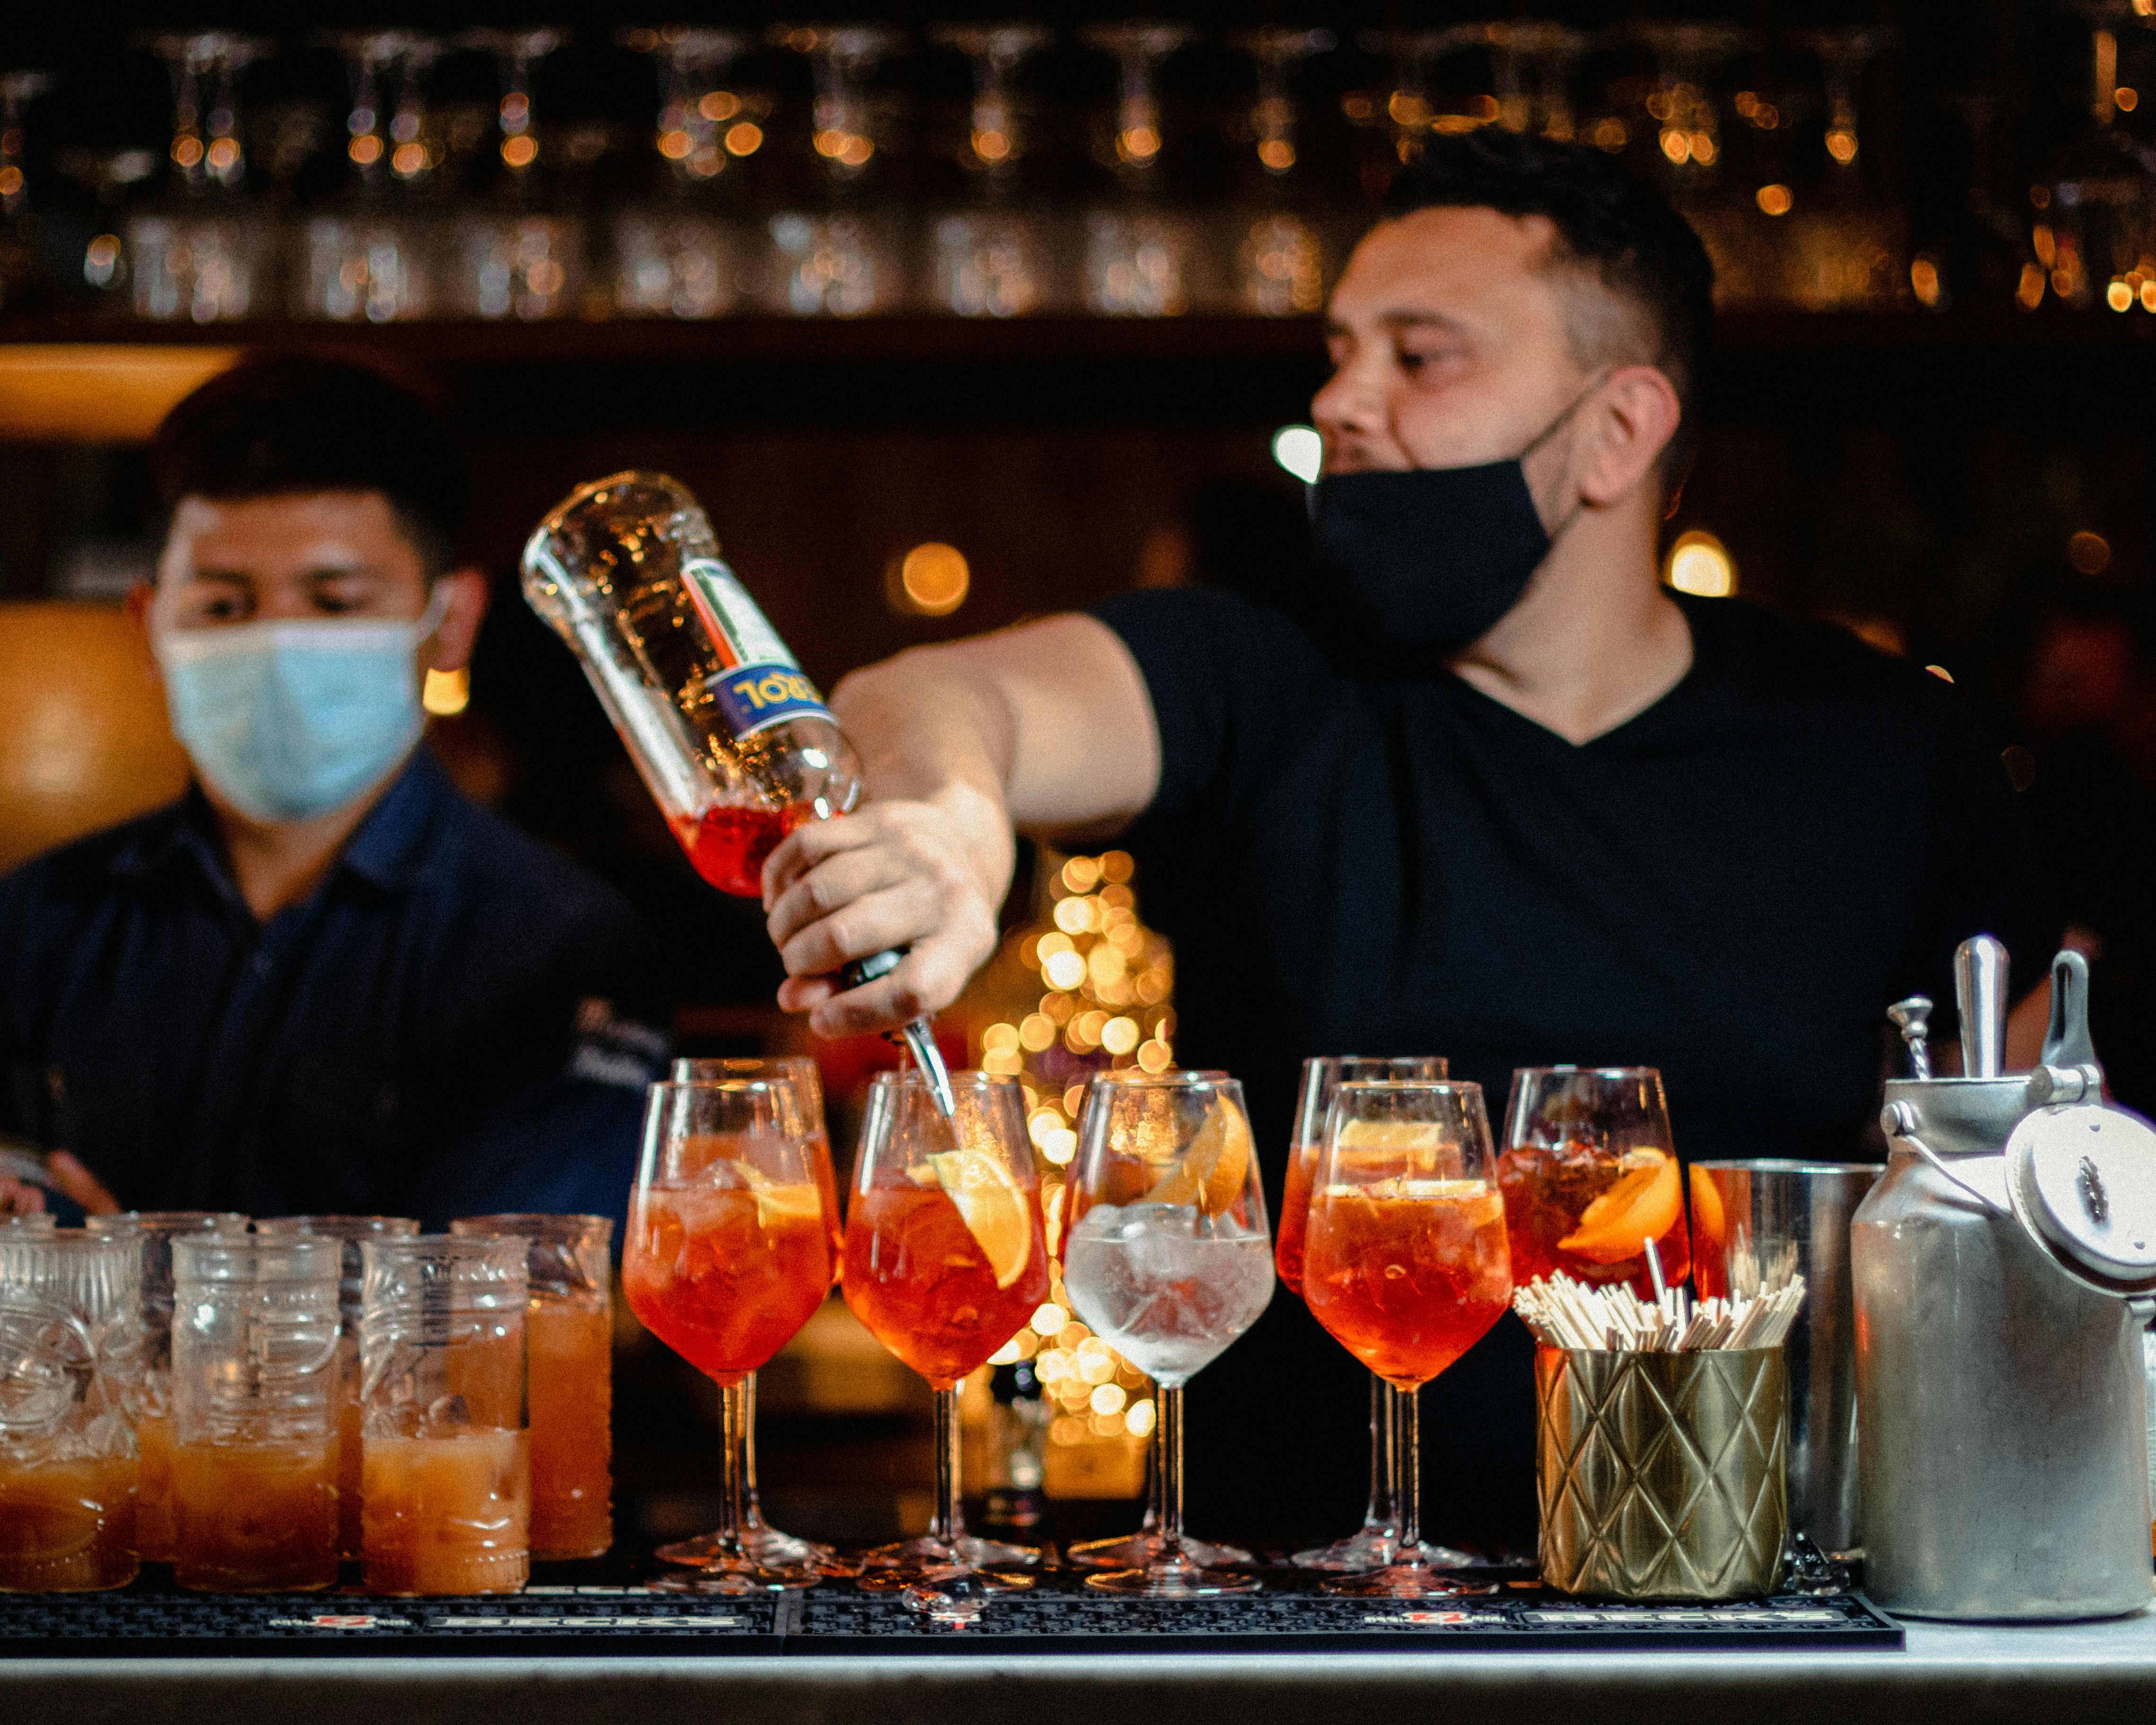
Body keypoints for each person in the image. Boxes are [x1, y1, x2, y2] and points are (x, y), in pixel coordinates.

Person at [755, 133, 2063, 1549]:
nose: (1342, 401)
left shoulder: (1878, 746)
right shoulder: (1266, 679)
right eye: (1339, 353)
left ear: (1618, 431)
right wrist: (949, 821)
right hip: (1299, 1619)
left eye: (1418, 359)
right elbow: (939, 695)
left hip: (1756, 1602)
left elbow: (2018, 1200)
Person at [0, 355, 666, 1230]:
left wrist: (111, 1260)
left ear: (451, 623)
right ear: (150, 627)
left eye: (336, 602)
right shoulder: (41, 917)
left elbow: (496, 1303)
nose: (278, 640)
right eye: (224, 608)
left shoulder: (559, 947)